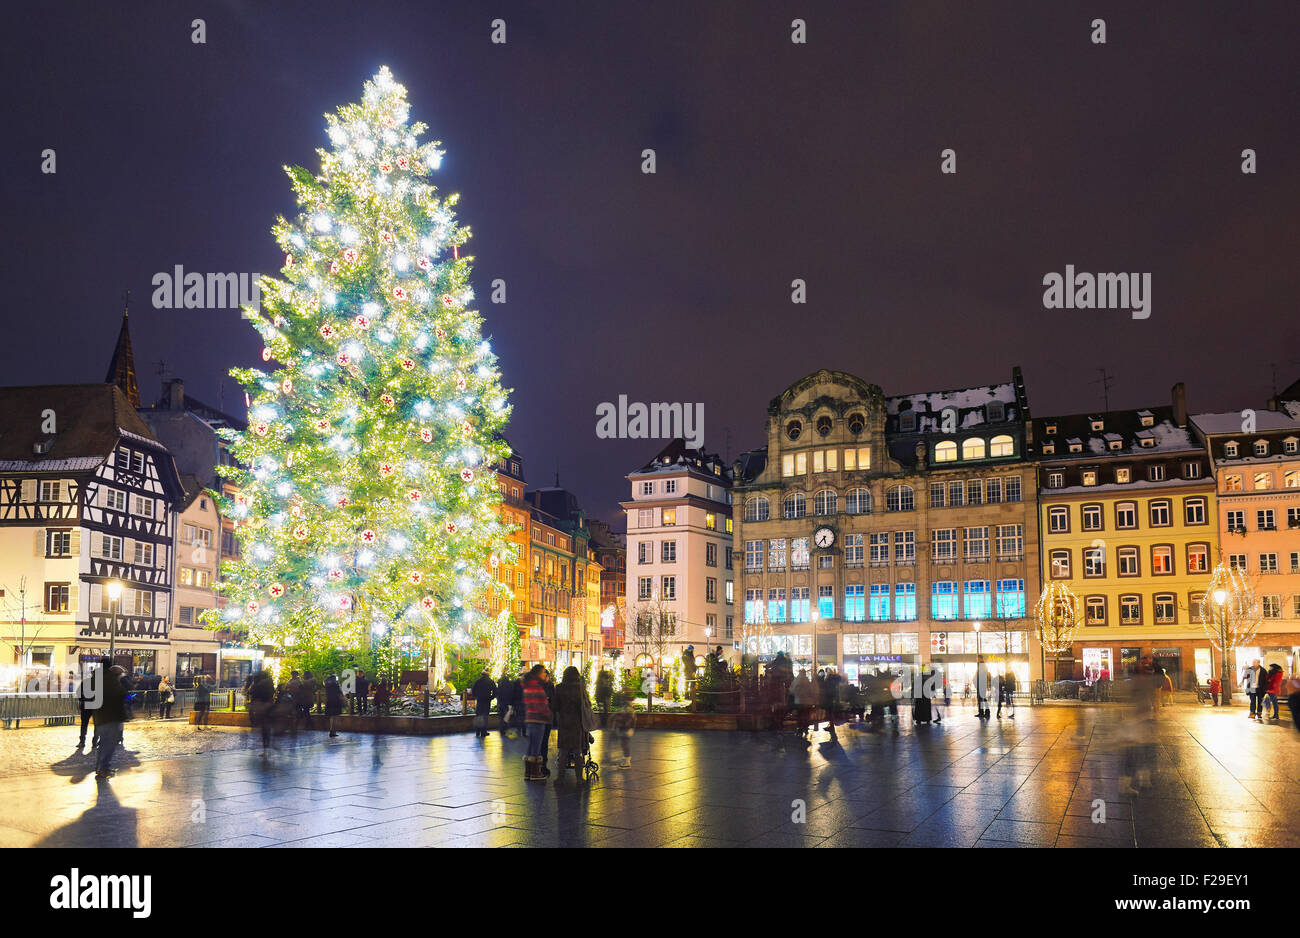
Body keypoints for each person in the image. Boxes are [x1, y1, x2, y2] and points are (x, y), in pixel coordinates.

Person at [554, 666, 597, 781]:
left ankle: (560, 778)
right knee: (578, 751)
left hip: (564, 722)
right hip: (578, 723)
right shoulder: (581, 689)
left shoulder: (559, 688)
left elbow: (555, 706)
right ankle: (579, 779)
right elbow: (587, 704)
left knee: (563, 751)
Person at [92, 666, 130, 779]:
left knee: (103, 744)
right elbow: (123, 695)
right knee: (109, 745)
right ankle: (103, 768)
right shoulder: (114, 686)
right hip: (111, 719)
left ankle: (100, 768)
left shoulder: (102, 684)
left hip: (102, 719)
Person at [521, 665, 552, 780]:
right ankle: (535, 773)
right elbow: (541, 705)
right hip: (538, 719)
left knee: (530, 746)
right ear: (539, 674)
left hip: (530, 718)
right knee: (536, 747)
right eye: (544, 672)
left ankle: (528, 772)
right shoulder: (537, 688)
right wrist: (548, 715)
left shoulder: (528, 686)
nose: (545, 675)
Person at [249, 669, 275, 754]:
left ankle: (265, 748)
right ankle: (268, 746)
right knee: (267, 727)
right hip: (269, 706)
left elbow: (251, 692)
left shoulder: (258, 684)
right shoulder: (270, 683)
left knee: (264, 728)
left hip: (262, 707)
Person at [76, 662, 101, 750]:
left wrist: (82, 700)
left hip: (86, 706)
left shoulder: (86, 682)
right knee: (97, 725)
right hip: (97, 706)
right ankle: (94, 742)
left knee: (84, 724)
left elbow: (78, 693)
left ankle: (82, 741)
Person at [611, 696, 636, 768]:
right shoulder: (628, 707)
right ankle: (626, 759)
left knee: (625, 744)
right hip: (625, 728)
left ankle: (627, 762)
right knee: (624, 744)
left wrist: (629, 728)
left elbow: (630, 718)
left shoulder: (628, 708)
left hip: (625, 728)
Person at [471, 668, 497, 738]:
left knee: (478, 715)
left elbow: (473, 691)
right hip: (487, 701)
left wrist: (476, 697)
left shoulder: (478, 681)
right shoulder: (490, 681)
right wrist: (491, 697)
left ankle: (477, 731)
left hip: (480, 701)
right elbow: (495, 691)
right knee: (485, 716)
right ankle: (483, 732)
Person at [791, 669, 816, 742]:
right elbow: (811, 691)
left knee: (800, 715)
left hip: (799, 701)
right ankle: (805, 727)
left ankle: (800, 728)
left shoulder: (797, 680)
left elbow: (792, 690)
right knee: (805, 715)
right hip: (807, 702)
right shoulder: (807, 681)